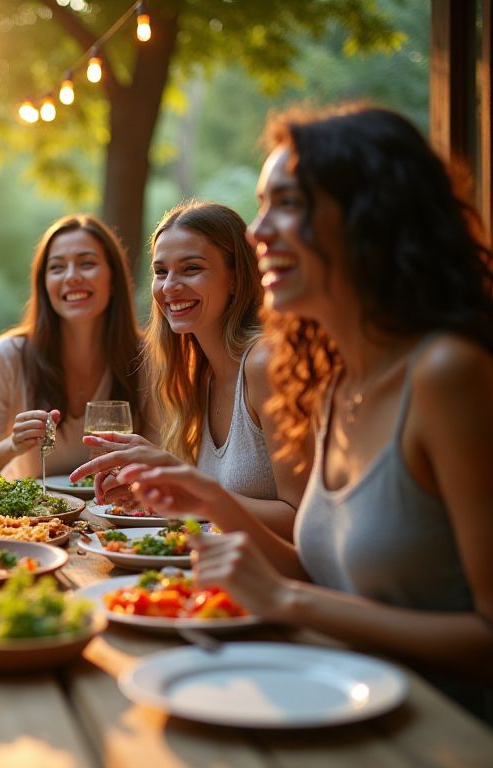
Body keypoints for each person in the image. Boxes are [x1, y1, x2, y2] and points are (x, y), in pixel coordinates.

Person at [123, 104, 493, 721]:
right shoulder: (332, 379)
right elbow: (323, 573)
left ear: (368, 219)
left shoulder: (448, 374)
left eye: (288, 203)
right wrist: (206, 500)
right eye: (263, 205)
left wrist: (288, 602)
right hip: (323, 697)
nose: (258, 230)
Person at [71, 202, 306, 538]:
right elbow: (214, 509)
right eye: (161, 271)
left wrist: (187, 483)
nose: (169, 287)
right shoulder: (199, 374)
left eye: (191, 268)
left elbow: (301, 522)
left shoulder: (264, 364)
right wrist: (162, 492)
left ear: (237, 279)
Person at [0, 213, 148, 480]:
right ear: (44, 284)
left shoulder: (148, 357)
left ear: (113, 279)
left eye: (87, 263)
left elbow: (168, 455)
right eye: (56, 267)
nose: (72, 277)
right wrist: (12, 445)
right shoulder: (6, 357)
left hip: (120, 516)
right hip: (30, 519)